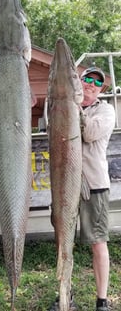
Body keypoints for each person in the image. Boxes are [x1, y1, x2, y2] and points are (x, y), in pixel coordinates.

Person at [49, 66, 115, 311]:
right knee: (62, 241)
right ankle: (65, 294)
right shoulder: (62, 106)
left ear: (101, 89)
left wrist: (74, 109)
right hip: (65, 184)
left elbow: (90, 133)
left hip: (94, 186)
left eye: (96, 82)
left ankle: (102, 300)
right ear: (78, 81)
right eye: (86, 78)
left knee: (98, 242)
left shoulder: (106, 111)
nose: (90, 84)